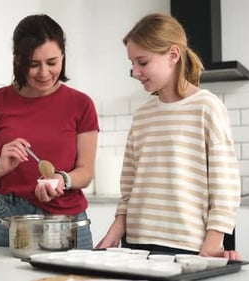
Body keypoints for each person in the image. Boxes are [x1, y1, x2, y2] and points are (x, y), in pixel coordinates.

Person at [95, 13, 241, 260]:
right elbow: (129, 185)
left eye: (142, 62)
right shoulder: (142, 115)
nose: (135, 71)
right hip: (137, 244)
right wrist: (117, 228)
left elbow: (225, 184)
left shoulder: (207, 107)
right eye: (131, 63)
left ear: (173, 55)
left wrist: (214, 240)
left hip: (188, 245)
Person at [0, 14, 99, 249]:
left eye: (52, 62)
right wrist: (1, 168)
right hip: (9, 219)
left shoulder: (81, 104)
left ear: (63, 57)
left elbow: (86, 172)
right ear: (17, 60)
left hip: (67, 221)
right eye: (33, 64)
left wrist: (63, 179)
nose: (44, 73)